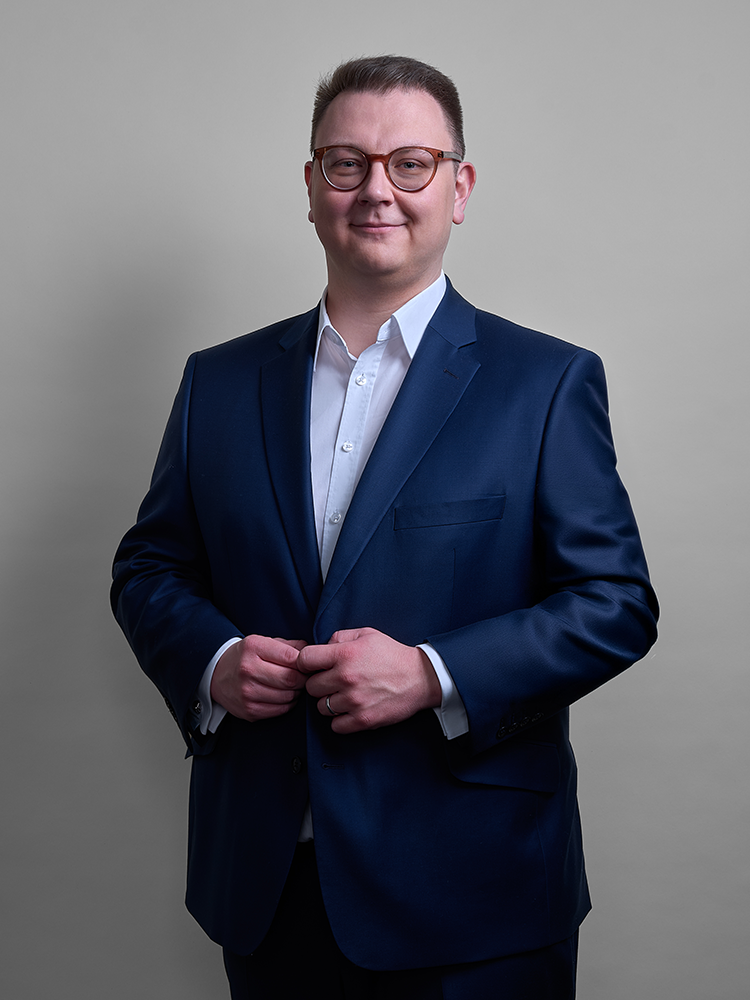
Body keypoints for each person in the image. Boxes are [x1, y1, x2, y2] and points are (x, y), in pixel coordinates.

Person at [111, 55, 658, 999]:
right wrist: (215, 661)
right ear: (311, 186)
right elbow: (150, 566)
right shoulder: (218, 382)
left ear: (459, 188)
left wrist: (431, 674)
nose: (377, 190)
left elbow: (615, 604)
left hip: (476, 893)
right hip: (268, 885)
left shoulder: (546, 383)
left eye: (411, 163)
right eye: (347, 163)